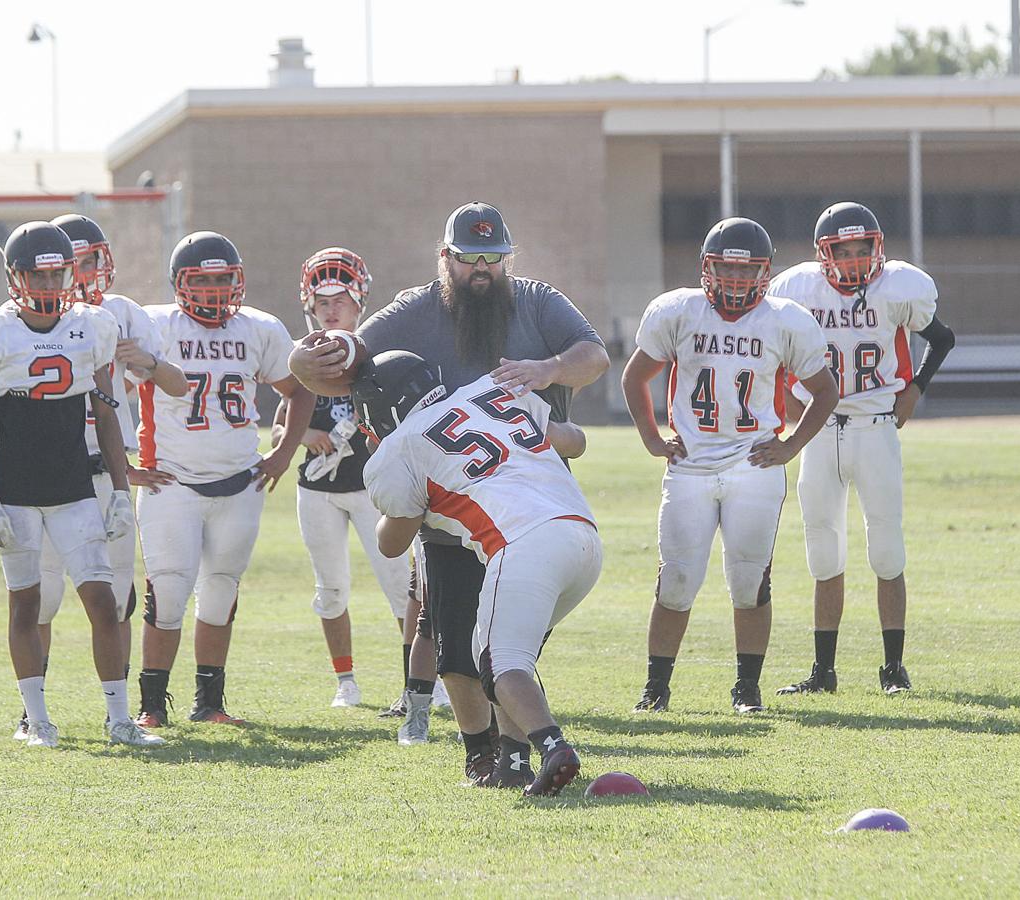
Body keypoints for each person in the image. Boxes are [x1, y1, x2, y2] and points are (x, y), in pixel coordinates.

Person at [289, 201, 608, 782]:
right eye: (469, 259)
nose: (482, 269)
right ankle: (487, 751)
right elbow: (345, 360)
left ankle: (515, 751)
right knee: (464, 648)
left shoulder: (534, 300)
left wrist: (549, 369)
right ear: (445, 258)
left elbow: (595, 356)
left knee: (502, 647)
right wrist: (302, 360)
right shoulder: (415, 313)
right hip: (503, 517)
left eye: (493, 258)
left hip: (515, 509)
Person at [0, 220, 163, 748]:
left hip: (74, 488)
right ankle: (38, 720)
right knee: (26, 605)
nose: (48, 287)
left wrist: (118, 489)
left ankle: (118, 721)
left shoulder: (92, 326)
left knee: (104, 602)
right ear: (15, 277)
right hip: (18, 488)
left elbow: (108, 416)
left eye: (57, 275)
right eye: (38, 276)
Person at [357, 351, 601, 796]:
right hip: (583, 536)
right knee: (501, 650)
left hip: (522, 543)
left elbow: (392, 543)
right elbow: (575, 441)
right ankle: (511, 762)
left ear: (382, 409)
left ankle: (553, 747)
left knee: (498, 663)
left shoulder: (399, 446)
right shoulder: (491, 390)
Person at [622, 217, 838, 714]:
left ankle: (747, 688)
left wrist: (790, 446)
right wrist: (653, 438)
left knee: (748, 579)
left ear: (765, 273)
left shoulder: (786, 319)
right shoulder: (679, 311)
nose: (736, 283)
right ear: (707, 268)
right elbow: (635, 377)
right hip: (692, 465)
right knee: (676, 578)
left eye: (747, 273)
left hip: (753, 465)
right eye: (727, 271)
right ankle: (656, 688)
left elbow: (825, 392)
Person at [6, 214, 187, 739]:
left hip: (103, 473)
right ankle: (32, 713)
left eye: (86, 261)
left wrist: (147, 361)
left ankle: (119, 711)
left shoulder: (121, 315)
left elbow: (176, 384)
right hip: (41, 475)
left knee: (115, 598)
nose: (80, 272)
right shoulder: (17, 322)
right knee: (40, 597)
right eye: (72, 262)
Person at [767, 202, 955, 696]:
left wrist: (914, 388)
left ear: (878, 247)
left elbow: (943, 337)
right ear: (822, 255)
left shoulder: (898, 286)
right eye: (842, 250)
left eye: (861, 248)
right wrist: (787, 396)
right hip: (820, 430)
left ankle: (893, 669)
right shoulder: (796, 289)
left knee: (887, 550)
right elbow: (768, 346)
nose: (853, 258)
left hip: (876, 427)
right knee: (823, 552)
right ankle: (822, 672)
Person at [134, 231, 315, 727]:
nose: (214, 290)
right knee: (168, 593)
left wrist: (282, 452)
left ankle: (209, 704)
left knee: (220, 590)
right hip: (170, 481)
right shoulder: (155, 325)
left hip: (240, 482)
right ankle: (151, 707)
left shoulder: (260, 328)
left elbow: (299, 390)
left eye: (222, 279)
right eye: (203, 280)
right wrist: (124, 461)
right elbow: (102, 388)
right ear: (179, 284)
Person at [271, 247, 410, 708]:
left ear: (359, 302)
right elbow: (279, 425)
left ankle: (418, 683)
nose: (331, 310)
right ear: (310, 305)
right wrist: (305, 432)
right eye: (323, 301)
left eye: (341, 301)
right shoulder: (303, 356)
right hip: (317, 490)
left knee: (400, 586)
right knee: (329, 589)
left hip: (373, 490)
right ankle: (345, 682)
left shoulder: (376, 354)